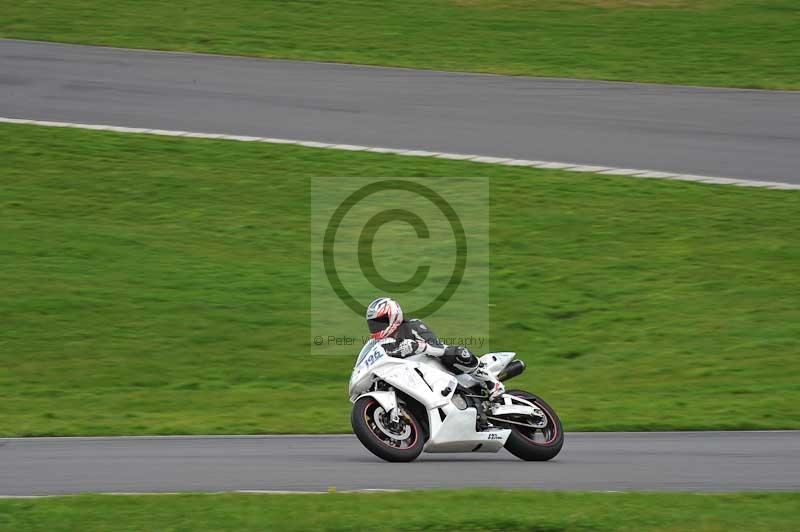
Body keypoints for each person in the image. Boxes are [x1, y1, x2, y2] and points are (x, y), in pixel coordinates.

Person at [365, 297, 505, 399]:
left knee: (453, 352)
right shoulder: (382, 343)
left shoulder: (413, 326)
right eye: (374, 323)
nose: (377, 327)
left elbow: (436, 346)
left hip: (439, 367)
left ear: (393, 316)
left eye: (381, 321)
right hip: (411, 376)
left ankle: (491, 382)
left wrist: (418, 346)